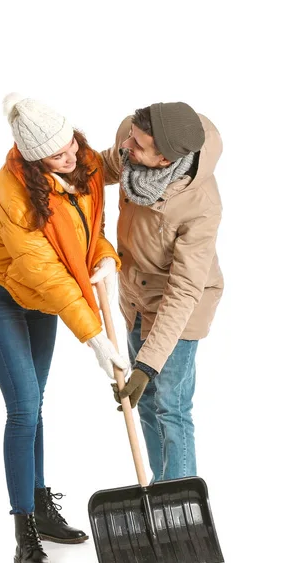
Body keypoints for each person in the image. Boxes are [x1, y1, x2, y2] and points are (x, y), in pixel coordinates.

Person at [0, 93, 128, 563]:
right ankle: (24, 532)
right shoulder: (13, 194)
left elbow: (84, 229)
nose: (73, 157)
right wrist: (95, 338)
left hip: (43, 301)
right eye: (58, 155)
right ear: (35, 159)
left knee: (35, 403)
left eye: (72, 145)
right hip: (2, 297)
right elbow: (48, 273)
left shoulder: (81, 166)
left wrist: (105, 254)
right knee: (22, 408)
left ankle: (41, 506)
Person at [102, 102, 224, 483]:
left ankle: (181, 507)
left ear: (165, 159)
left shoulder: (201, 206)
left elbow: (184, 289)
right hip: (136, 300)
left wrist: (147, 365)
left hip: (181, 308)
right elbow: (99, 165)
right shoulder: (133, 139)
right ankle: (159, 491)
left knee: (170, 405)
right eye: (129, 137)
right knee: (148, 402)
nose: (125, 146)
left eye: (137, 146)